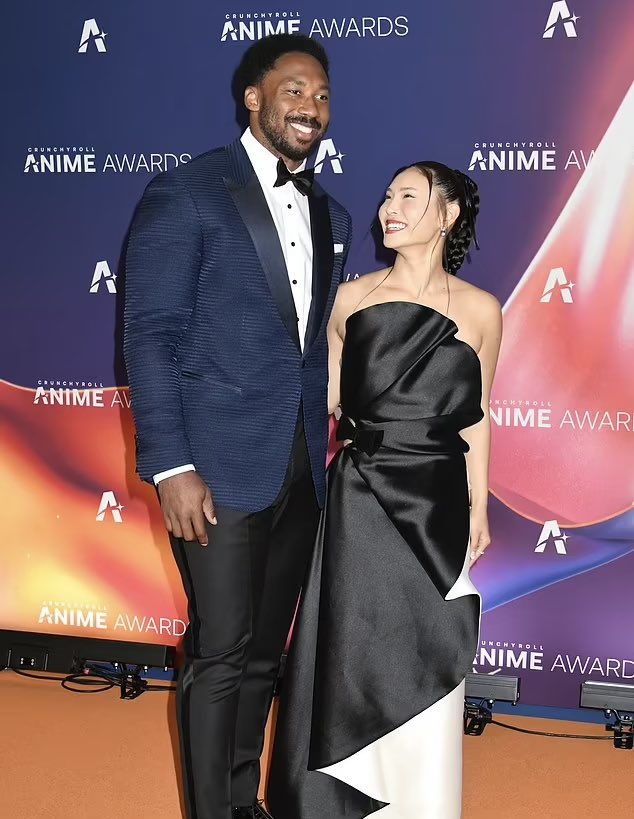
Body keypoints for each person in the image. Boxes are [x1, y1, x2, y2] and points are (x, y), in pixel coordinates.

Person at [123, 33, 352, 819]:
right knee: (219, 651)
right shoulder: (188, 192)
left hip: (299, 467)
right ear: (253, 99)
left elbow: (307, 348)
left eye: (322, 95)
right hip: (213, 468)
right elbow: (150, 335)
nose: (311, 107)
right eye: (294, 91)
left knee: (262, 655)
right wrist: (170, 465)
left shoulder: (330, 212)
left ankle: (241, 799)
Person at [267, 162, 502, 818]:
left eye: (407, 196)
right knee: (354, 644)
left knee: (429, 641)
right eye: (388, 195)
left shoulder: (482, 309)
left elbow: (479, 412)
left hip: (437, 505)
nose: (388, 207)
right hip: (362, 498)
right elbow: (326, 400)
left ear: (447, 214)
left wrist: (480, 504)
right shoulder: (351, 299)